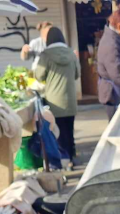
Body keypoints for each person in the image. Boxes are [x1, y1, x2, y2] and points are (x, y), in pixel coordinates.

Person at [34, 27, 80, 162]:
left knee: (58, 133)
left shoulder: (46, 55)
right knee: (69, 130)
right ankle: (71, 157)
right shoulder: (72, 54)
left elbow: (39, 75)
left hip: (54, 101)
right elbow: (77, 75)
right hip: (70, 100)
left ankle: (63, 159)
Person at [97, 5, 120, 120]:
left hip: (113, 92)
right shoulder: (112, 44)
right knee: (117, 128)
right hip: (113, 94)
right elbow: (117, 74)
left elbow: (118, 57)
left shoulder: (113, 38)